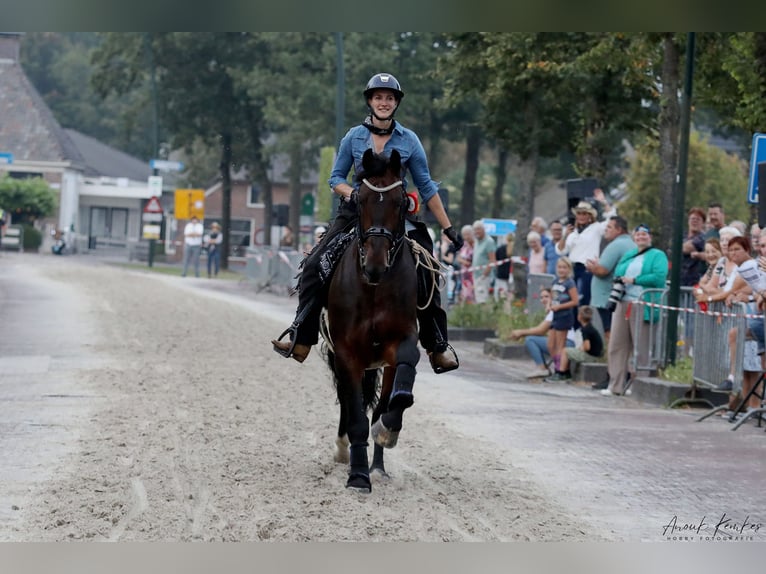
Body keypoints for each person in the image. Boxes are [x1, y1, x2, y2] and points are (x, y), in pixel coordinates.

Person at [271, 73, 463, 374]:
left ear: (396, 103)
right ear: (370, 102)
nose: (383, 102)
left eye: (389, 97)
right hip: (356, 213)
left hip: (398, 217)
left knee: (428, 271)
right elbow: (335, 178)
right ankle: (301, 336)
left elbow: (426, 186)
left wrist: (449, 228)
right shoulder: (353, 137)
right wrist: (356, 195)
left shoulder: (409, 140)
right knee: (314, 265)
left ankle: (437, 345)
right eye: (378, 97)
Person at [602, 224, 669, 397]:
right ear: (634, 238)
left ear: (650, 237)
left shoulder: (657, 255)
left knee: (641, 345)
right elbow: (618, 272)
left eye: (644, 234)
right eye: (638, 234)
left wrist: (635, 279)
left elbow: (659, 277)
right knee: (617, 344)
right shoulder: (629, 255)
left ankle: (640, 384)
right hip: (624, 302)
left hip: (642, 302)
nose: (641, 237)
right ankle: (615, 384)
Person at [584, 215, 636, 389]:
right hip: (620, 296)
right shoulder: (630, 243)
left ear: (619, 229)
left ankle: (613, 375)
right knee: (620, 340)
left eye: (609, 228)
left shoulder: (617, 245)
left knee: (612, 339)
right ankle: (620, 374)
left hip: (608, 297)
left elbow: (603, 270)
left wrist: (592, 267)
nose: (606, 230)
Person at [555, 188, 615, 309]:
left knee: (583, 298)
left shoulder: (596, 228)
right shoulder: (572, 233)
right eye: (579, 214)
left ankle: (582, 325)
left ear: (590, 216)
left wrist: (604, 202)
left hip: (586, 268)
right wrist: (565, 235)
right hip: (572, 268)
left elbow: (611, 219)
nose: (581, 216)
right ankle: (573, 325)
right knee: (569, 298)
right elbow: (561, 250)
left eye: (584, 214)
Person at [509, 287, 574, 378]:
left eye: (547, 297)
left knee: (530, 340)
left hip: (567, 343)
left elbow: (540, 330)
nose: (544, 300)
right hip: (565, 342)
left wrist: (521, 332)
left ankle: (542, 369)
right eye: (541, 297)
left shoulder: (555, 310)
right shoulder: (553, 310)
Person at [546, 305, 604, 382]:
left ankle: (562, 373)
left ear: (579, 317)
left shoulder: (585, 330)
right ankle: (565, 372)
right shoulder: (590, 327)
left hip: (590, 356)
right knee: (570, 351)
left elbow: (587, 347)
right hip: (595, 355)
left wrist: (581, 348)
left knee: (565, 351)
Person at [548, 257, 579, 376]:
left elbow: (575, 301)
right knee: (551, 344)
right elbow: (552, 296)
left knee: (560, 344)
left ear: (569, 269)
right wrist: (549, 305)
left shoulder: (569, 283)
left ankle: (561, 370)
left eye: (564, 267)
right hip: (555, 315)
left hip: (564, 315)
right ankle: (556, 365)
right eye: (560, 267)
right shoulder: (555, 281)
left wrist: (560, 307)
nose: (562, 270)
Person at [681, 207, 708, 287]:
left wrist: (681, 246)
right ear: (688, 221)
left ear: (703, 223)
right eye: (692, 219)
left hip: (694, 283)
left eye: (698, 219)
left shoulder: (703, 237)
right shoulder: (682, 235)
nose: (694, 221)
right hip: (679, 280)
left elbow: (686, 248)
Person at [471, 220, 496, 304]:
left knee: (483, 300)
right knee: (478, 299)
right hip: (476, 275)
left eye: (478, 229)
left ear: (483, 229)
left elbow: (492, 260)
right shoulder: (476, 241)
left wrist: (484, 275)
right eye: (475, 230)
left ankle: (485, 316)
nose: (476, 232)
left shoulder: (489, 241)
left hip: (484, 276)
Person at [457, 225, 475, 304]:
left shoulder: (476, 244)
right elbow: (458, 258)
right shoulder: (464, 244)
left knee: (473, 294)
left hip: (473, 274)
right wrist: (465, 262)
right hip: (464, 274)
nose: (466, 236)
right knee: (465, 294)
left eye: (468, 234)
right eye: (464, 234)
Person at [494, 232, 515, 303]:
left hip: (501, 275)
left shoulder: (500, 249)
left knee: (502, 294)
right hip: (512, 275)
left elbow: (496, 261)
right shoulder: (516, 249)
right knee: (511, 294)